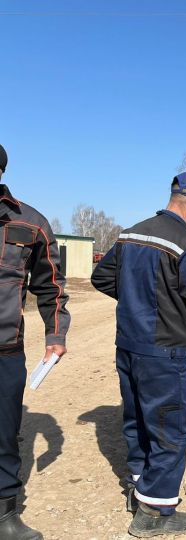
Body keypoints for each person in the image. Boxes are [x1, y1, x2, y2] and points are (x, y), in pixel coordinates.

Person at [91, 171, 186, 538]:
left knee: (137, 419)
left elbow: (101, 278)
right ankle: (155, 513)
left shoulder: (131, 232)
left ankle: (139, 487)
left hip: (128, 345)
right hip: (165, 351)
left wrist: (137, 304)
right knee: (169, 429)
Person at [0, 143, 70, 540]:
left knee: (4, 435)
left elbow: (53, 287)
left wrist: (55, 336)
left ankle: (4, 516)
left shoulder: (29, 224)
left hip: (4, 352)